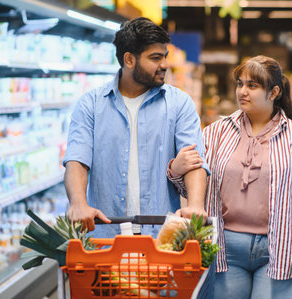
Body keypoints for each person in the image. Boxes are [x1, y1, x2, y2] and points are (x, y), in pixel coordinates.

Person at [168, 55, 292, 298]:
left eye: (252, 86)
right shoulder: (216, 133)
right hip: (225, 247)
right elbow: (193, 188)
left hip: (280, 248)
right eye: (240, 84)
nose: (242, 91)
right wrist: (176, 169)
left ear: (274, 92)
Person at [63, 17, 208, 237]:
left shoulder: (179, 103)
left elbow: (194, 161)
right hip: (105, 236)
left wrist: (195, 205)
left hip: (162, 236)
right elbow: (76, 159)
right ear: (129, 60)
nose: (165, 65)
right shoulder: (91, 104)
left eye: (165, 57)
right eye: (155, 58)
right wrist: (78, 203)